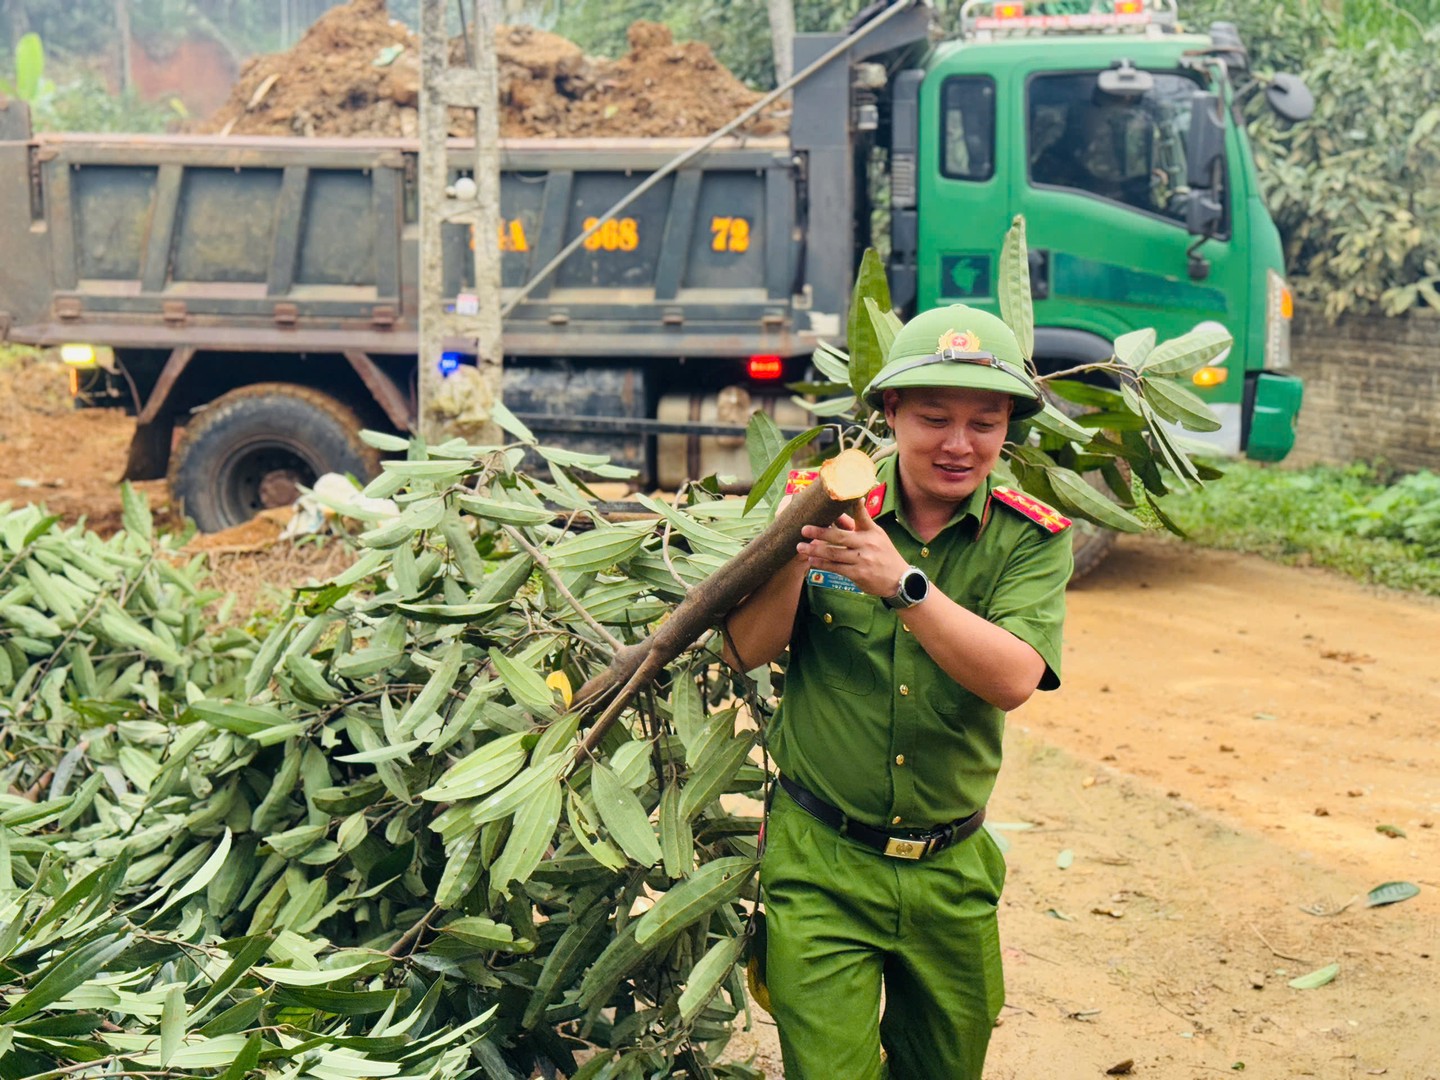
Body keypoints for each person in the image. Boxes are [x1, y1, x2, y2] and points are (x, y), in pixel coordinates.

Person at [724, 304, 1074, 1079]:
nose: (959, 444)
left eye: (985, 422)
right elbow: (744, 648)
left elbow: (1015, 677)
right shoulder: (826, 506)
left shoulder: (1030, 537)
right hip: (821, 866)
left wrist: (903, 585)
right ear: (890, 413)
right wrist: (793, 548)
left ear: (1008, 425)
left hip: (951, 870)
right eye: (934, 417)